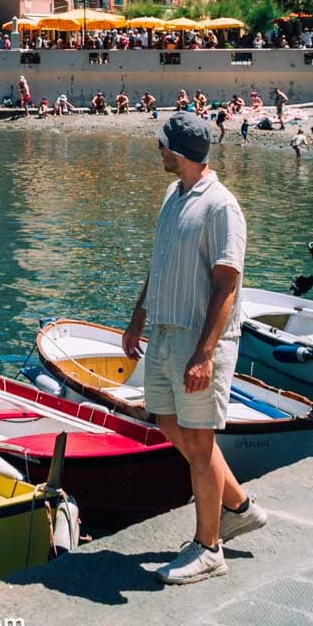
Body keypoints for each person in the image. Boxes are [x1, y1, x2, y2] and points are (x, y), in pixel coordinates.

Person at [122, 113, 264, 585]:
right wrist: (138, 316)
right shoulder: (173, 194)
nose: (159, 151)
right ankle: (238, 507)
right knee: (167, 420)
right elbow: (159, 263)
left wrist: (205, 354)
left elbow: (227, 285)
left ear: (178, 151)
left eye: (162, 145)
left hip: (198, 339)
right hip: (164, 332)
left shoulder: (222, 207)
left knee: (200, 444)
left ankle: (208, 548)